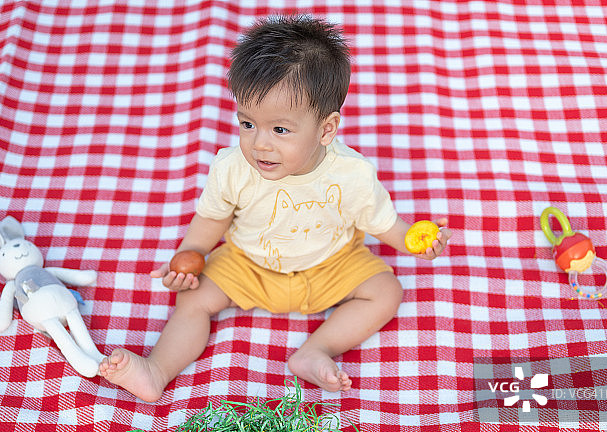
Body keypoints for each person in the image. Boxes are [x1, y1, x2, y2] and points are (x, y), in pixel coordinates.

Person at [99, 14, 451, 402]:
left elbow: (387, 226)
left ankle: (317, 349)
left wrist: (417, 241)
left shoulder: (352, 174)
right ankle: (158, 368)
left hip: (331, 264)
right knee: (193, 299)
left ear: (326, 129)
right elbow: (212, 217)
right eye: (248, 124)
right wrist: (191, 255)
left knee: (386, 291)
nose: (259, 144)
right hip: (250, 264)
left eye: (280, 130)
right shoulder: (232, 167)